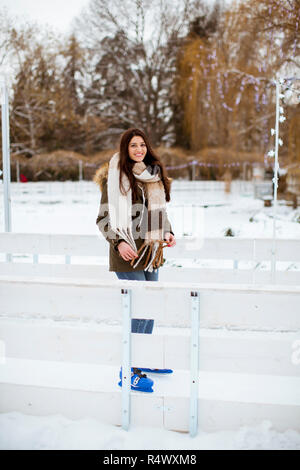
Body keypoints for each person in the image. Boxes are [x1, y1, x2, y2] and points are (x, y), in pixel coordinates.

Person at [94, 128, 176, 392]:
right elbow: (103, 219)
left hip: (151, 252)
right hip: (127, 254)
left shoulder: (152, 176)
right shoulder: (114, 177)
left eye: (142, 145)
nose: (139, 149)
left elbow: (158, 213)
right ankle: (129, 371)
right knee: (137, 310)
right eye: (133, 146)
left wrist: (168, 231)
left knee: (149, 308)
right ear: (124, 149)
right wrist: (118, 243)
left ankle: (143, 358)